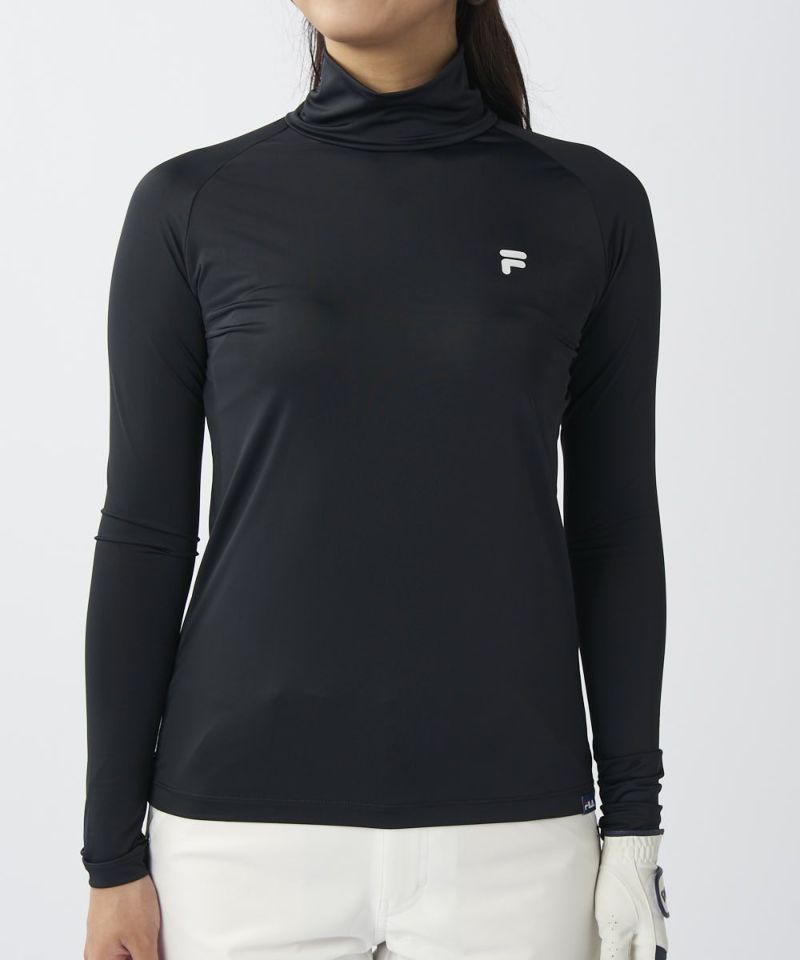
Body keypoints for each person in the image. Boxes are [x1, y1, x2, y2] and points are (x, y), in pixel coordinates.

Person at [81, 1, 670, 958]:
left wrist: (635, 825)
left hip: (514, 843)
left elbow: (613, 532)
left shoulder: (587, 204)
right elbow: (144, 537)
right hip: (237, 843)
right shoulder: (190, 203)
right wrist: (112, 857)